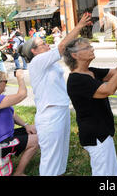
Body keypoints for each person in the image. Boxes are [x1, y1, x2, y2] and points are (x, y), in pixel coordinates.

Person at [19, 12, 92, 176]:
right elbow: (62, 46)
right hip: (50, 115)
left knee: (59, 156)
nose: (47, 44)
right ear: (34, 51)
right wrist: (79, 26)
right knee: (50, 158)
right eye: (42, 43)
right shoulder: (37, 62)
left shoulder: (48, 62)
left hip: (60, 111)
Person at [63, 38, 117, 176]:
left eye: (90, 46)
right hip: (96, 135)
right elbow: (108, 90)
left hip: (103, 131)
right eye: (86, 47)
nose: (92, 49)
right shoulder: (76, 80)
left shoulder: (90, 71)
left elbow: (116, 72)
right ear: (75, 55)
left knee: (111, 172)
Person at [0, 70, 38, 176]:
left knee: (36, 130)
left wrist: (26, 125)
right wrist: (20, 77)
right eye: (5, 81)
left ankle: (17, 153)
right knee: (36, 139)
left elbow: (12, 114)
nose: (6, 84)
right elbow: (22, 95)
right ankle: (18, 173)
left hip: (1, 140)